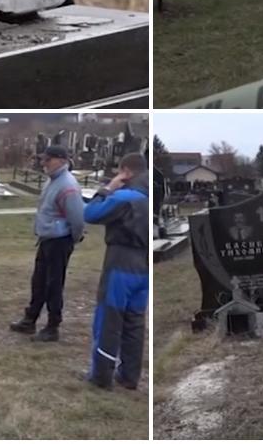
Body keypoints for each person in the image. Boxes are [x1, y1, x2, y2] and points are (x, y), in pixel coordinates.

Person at [83, 153, 149, 391]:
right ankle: (129, 376)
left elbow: (90, 213)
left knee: (109, 318)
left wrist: (108, 187)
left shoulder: (125, 196)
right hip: (145, 265)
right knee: (134, 321)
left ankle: (101, 375)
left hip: (121, 262)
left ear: (126, 172)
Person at [10, 146, 85, 342]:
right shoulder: (52, 181)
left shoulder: (68, 185)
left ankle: (53, 326)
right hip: (47, 238)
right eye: (44, 159)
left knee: (53, 284)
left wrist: (73, 238)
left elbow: (77, 218)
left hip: (60, 241)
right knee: (39, 282)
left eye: (48, 160)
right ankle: (30, 320)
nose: (44, 163)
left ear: (61, 160)